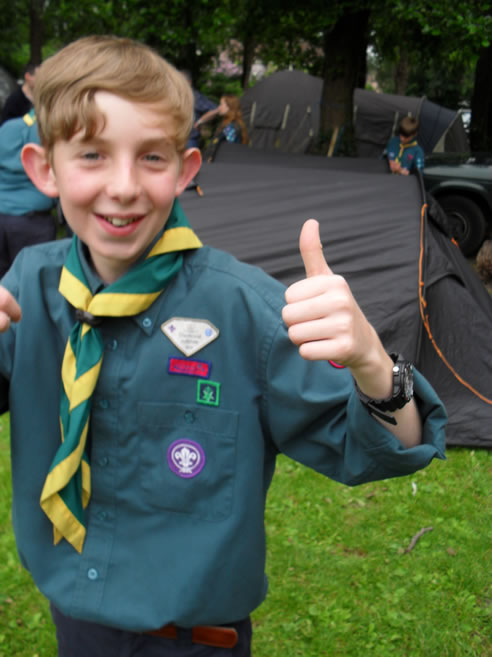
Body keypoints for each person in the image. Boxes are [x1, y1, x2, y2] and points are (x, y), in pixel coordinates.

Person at [0, 36, 446, 657]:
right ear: (44, 168)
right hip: (76, 625)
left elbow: (385, 448)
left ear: (185, 171)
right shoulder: (26, 288)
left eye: (151, 158)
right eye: (93, 155)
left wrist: (373, 363)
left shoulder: (245, 311)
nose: (123, 186)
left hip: (197, 643)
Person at [0, 110, 56, 277]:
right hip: (32, 222)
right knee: (32, 276)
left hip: (2, 214)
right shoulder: (47, 131)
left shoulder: (8, 127)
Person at [181, 70, 218, 149]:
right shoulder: (175, 95)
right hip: (175, 139)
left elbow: (215, 109)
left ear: (188, 82)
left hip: (189, 140)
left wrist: (200, 121)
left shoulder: (195, 96)